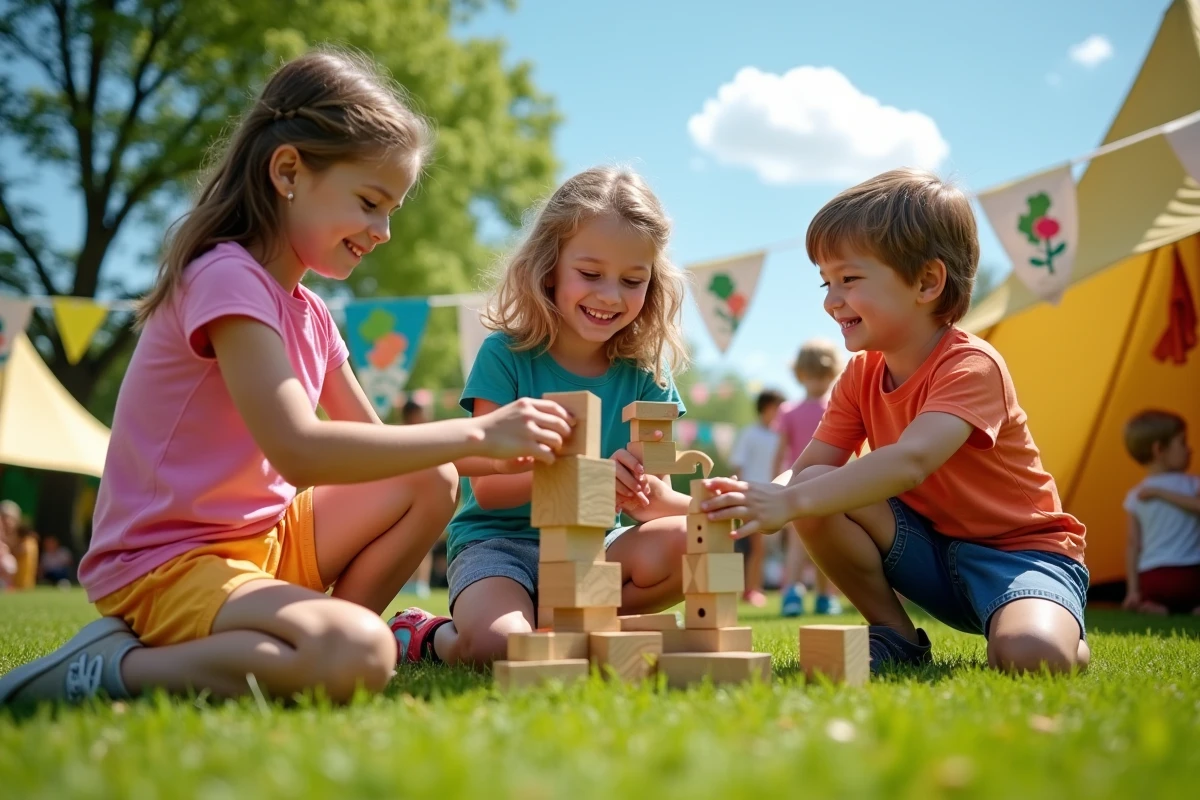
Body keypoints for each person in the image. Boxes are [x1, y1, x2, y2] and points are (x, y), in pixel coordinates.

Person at [0, 48, 574, 708]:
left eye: (391, 210)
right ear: (288, 172)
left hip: (266, 545)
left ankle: (328, 642)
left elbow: (381, 450)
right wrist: (478, 432)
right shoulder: (226, 276)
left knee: (430, 479)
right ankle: (109, 668)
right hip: (169, 561)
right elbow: (298, 448)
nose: (384, 231)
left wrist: (511, 450)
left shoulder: (313, 315)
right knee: (362, 650)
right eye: (370, 202)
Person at [701, 167, 1090, 675]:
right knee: (816, 481)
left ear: (926, 282)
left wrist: (789, 501)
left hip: (1019, 558)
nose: (830, 300)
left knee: (1030, 655)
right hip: (929, 555)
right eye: (826, 281)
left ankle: (1056, 629)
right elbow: (807, 471)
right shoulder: (860, 374)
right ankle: (895, 633)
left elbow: (911, 461)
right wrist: (752, 498)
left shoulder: (971, 365)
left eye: (849, 279)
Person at [389, 165, 693, 668]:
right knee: (500, 647)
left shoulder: (650, 376)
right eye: (590, 274)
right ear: (549, 267)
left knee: (689, 545)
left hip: (595, 548)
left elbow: (652, 499)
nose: (610, 295)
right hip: (500, 547)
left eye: (632, 280)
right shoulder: (505, 356)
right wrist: (585, 480)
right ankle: (428, 635)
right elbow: (489, 488)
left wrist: (691, 503)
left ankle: (572, 623)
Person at [773, 341, 843, 617]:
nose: (817, 381)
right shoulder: (793, 410)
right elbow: (780, 453)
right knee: (806, 543)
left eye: (822, 375)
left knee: (820, 544)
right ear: (800, 375)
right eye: (813, 375)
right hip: (807, 487)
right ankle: (800, 594)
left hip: (823, 487)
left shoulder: (835, 408)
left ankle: (815, 595)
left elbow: (779, 455)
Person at [1121, 410, 1199, 615]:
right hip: (1191, 575)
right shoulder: (1193, 485)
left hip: (1153, 579)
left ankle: (1154, 605)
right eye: (1182, 442)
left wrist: (1133, 591)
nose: (1190, 449)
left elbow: (1132, 545)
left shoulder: (1137, 494)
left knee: (1157, 599)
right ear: (1159, 449)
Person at [729, 389, 786, 607]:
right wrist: (741, 494)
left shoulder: (780, 435)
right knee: (755, 546)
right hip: (751, 495)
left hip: (773, 496)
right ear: (766, 407)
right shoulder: (750, 433)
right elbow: (738, 464)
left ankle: (754, 589)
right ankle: (750, 590)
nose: (780, 412)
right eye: (777, 407)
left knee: (763, 547)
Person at [400, 399, 434, 598]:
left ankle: (421, 583)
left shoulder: (427, 436)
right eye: (421, 413)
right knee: (405, 543)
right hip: (405, 496)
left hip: (427, 496)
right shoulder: (402, 437)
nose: (425, 417)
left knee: (425, 545)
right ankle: (406, 582)